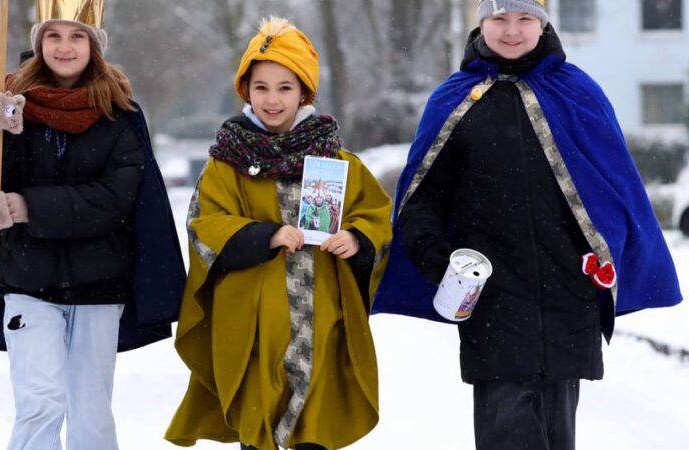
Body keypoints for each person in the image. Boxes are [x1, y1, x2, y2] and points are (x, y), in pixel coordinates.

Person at [372, 1, 683, 449]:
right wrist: (429, 251)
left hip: (566, 300)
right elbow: (426, 197)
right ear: (482, 23)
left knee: (558, 437)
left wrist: (605, 253)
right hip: (493, 301)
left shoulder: (578, 92)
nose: (512, 31)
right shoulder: (456, 98)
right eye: (500, 18)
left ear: (543, 23)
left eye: (524, 19)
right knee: (507, 434)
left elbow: (614, 189)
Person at [0, 2, 185, 449]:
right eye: (54, 35)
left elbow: (114, 200)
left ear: (94, 46)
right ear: (39, 42)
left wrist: (27, 207)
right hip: (27, 282)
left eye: (77, 36)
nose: (65, 47)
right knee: (40, 402)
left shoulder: (118, 113)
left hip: (100, 286)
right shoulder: (12, 105)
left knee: (91, 410)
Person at [164, 16, 393, 450]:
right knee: (260, 421)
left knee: (313, 426)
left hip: (321, 319)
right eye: (261, 87)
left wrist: (358, 238)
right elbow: (204, 225)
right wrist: (264, 235)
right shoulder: (226, 163)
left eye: (285, 88)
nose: (272, 99)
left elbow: (376, 217)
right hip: (253, 326)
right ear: (246, 91)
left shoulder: (338, 161)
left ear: (304, 92)